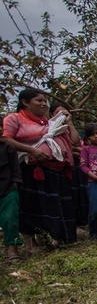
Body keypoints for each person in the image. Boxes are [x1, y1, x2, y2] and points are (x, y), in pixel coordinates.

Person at [1, 88, 81, 250]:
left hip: (55, 171)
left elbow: (74, 142)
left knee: (54, 206)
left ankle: (56, 238)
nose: (44, 104)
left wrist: (69, 122)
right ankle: (31, 243)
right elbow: (5, 139)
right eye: (39, 100)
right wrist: (32, 150)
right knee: (31, 207)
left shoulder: (50, 123)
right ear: (25, 102)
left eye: (45, 101)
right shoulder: (15, 118)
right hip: (30, 170)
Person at [50, 102, 88, 228]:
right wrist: (73, 149)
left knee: (75, 194)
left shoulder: (67, 128)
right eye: (57, 113)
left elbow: (75, 142)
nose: (61, 115)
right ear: (51, 114)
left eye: (64, 112)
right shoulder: (48, 127)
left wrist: (69, 122)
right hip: (57, 166)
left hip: (73, 165)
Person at [0, 127, 23, 260]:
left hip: (8, 189)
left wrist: (15, 185)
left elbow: (15, 170)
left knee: (10, 219)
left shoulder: (8, 148)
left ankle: (12, 247)